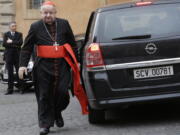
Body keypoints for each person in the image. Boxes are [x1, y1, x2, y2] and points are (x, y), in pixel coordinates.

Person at [18, 1, 88, 135]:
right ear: (41, 13)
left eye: (51, 13)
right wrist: (22, 65)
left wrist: (77, 61)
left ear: (55, 13)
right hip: (43, 67)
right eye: (45, 13)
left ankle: (57, 113)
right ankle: (45, 125)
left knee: (63, 94)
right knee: (44, 96)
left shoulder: (64, 24)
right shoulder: (35, 26)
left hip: (62, 65)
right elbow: (26, 48)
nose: (48, 15)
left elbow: (72, 44)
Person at [3, 22, 23, 95]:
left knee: (19, 73)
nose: (14, 27)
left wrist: (11, 42)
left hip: (17, 56)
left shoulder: (19, 34)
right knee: (10, 74)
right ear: (9, 27)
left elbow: (20, 43)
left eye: (15, 26)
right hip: (9, 57)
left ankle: (21, 88)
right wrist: (15, 44)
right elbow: (4, 44)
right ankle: (10, 90)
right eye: (13, 26)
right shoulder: (6, 34)